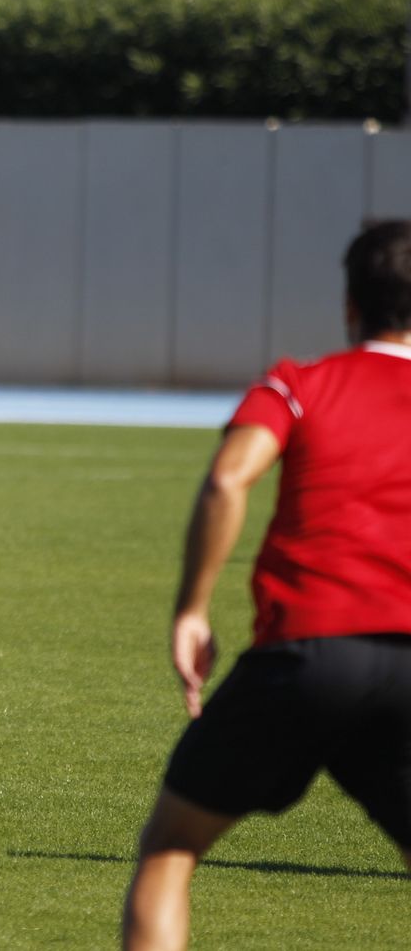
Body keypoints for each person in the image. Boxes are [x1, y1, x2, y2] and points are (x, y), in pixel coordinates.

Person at [121, 219, 411, 951]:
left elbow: (228, 478)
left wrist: (192, 608)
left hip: (307, 653)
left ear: (350, 305)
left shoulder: (300, 383)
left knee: (170, 846)